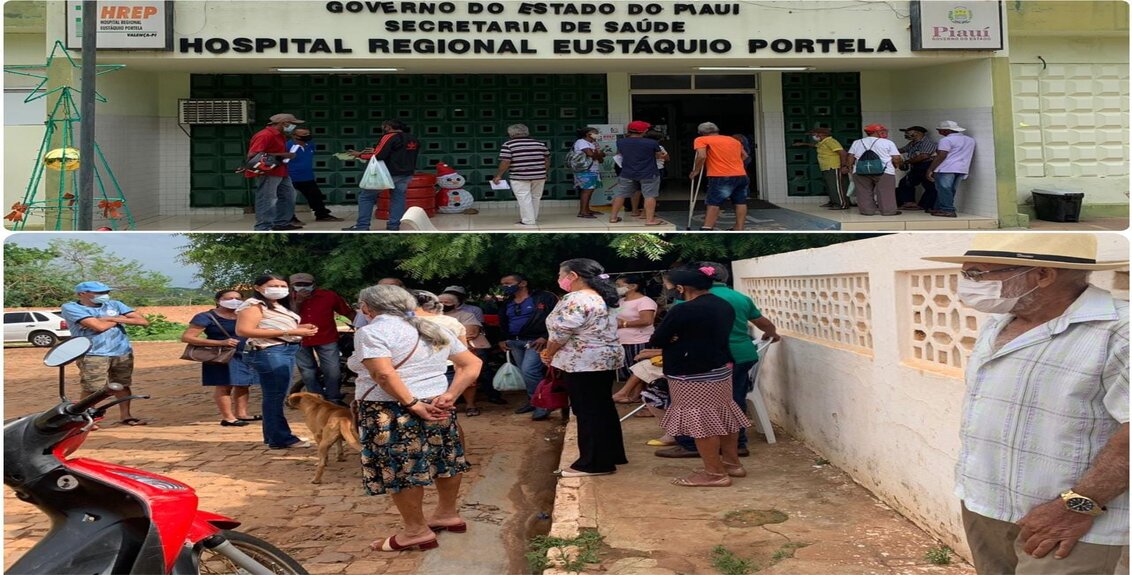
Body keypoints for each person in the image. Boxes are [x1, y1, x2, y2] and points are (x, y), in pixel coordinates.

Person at [923, 233, 1128, 574]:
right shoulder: (999, 324)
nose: (966, 284)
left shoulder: (1118, 331)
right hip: (984, 507)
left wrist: (1077, 507)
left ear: (1042, 275)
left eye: (977, 274)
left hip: (1069, 524)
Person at [349, 284, 482, 552]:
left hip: (391, 409)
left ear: (367, 308)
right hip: (437, 404)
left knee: (401, 468)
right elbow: (472, 363)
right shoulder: (434, 328)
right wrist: (451, 396)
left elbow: (384, 375)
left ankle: (416, 531)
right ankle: (447, 514)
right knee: (446, 459)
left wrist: (411, 403)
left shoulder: (371, 331)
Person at [655, 262, 780, 459]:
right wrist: (771, 334)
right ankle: (737, 446)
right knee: (733, 400)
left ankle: (693, 446)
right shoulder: (738, 298)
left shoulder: (687, 303)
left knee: (694, 409)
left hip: (701, 362)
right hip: (739, 356)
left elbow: (667, 335)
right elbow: (763, 323)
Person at [648, 266, 750, 487]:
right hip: (720, 367)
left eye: (670, 286)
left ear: (681, 288)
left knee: (701, 423)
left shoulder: (683, 310)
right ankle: (732, 464)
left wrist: (675, 339)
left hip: (691, 372)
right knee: (724, 413)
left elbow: (658, 339)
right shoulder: (723, 304)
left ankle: (714, 474)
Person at [541, 259, 627, 477]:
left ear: (573, 276)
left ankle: (595, 463)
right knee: (602, 407)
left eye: (561, 274)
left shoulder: (576, 298)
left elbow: (561, 332)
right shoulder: (603, 297)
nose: (559, 279)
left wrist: (548, 353)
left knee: (588, 411)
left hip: (583, 362)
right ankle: (612, 453)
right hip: (602, 359)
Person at [235, 274, 319, 449]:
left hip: (283, 350)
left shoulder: (276, 305)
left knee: (275, 395)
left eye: (282, 286)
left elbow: (276, 327)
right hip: (270, 352)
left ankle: (274, 436)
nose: (279, 289)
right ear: (258, 287)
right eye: (274, 285)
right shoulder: (254, 305)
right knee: (275, 397)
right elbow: (244, 330)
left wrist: (300, 329)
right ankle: (280, 438)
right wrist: (289, 332)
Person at [60, 281, 151, 427]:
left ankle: (126, 416)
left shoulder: (115, 304)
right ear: (82, 294)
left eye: (106, 292)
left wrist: (112, 318)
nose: (105, 295)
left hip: (121, 351)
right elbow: (98, 327)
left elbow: (142, 321)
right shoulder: (71, 308)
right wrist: (122, 320)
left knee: (122, 385)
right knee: (92, 388)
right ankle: (87, 418)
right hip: (92, 353)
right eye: (99, 293)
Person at [180, 290, 260, 426]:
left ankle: (242, 414)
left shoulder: (245, 314)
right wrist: (220, 343)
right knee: (224, 386)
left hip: (245, 354)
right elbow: (187, 337)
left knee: (244, 384)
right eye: (229, 298)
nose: (234, 300)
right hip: (220, 356)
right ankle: (228, 417)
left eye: (237, 298)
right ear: (218, 301)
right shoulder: (206, 317)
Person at [497, 273, 559, 420]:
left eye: (508, 283)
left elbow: (556, 319)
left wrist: (545, 336)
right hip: (515, 342)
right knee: (525, 373)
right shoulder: (507, 302)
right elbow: (503, 322)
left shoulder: (544, 297)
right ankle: (534, 400)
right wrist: (502, 339)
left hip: (535, 342)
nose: (505, 286)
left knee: (530, 370)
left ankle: (543, 404)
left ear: (523, 283)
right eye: (502, 284)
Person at [289, 272, 356, 404]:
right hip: (298, 339)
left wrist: (360, 326)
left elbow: (347, 312)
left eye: (306, 284)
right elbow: (289, 318)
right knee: (307, 371)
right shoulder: (286, 298)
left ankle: (333, 398)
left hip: (327, 337)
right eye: (298, 285)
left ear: (314, 284)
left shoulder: (328, 296)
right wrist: (298, 302)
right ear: (291, 286)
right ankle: (317, 399)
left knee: (332, 370)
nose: (302, 287)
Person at [345, 119, 420, 231]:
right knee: (398, 198)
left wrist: (359, 155)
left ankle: (362, 226)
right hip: (406, 174)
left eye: (383, 127)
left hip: (388, 174)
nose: (382, 129)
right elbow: (397, 152)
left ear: (388, 127)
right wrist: (375, 150)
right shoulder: (413, 138)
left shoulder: (389, 136)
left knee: (366, 197)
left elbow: (379, 156)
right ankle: (394, 226)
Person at [439, 290, 500, 413]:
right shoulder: (430, 316)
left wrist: (440, 339)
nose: (443, 304)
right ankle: (443, 405)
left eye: (447, 302)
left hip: (462, 351)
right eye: (440, 302)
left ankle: (470, 405)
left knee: (466, 378)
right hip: (438, 354)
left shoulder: (466, 314)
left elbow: (471, 333)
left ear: (455, 304)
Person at [246, 113, 303, 231]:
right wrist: (285, 155)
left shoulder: (280, 135)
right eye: (292, 124)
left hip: (281, 170)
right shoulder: (265, 135)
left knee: (289, 195)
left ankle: (281, 223)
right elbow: (253, 155)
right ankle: (263, 226)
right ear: (284, 123)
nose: (294, 127)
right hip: (269, 172)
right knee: (267, 198)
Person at [689, 122, 750, 231]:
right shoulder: (733, 140)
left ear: (701, 133)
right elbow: (745, 155)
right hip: (741, 175)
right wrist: (733, 164)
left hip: (720, 176)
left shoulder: (701, 140)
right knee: (740, 202)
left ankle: (707, 227)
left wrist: (696, 171)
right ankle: (739, 228)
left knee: (713, 202)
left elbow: (702, 156)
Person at [607, 121, 668, 226]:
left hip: (627, 172)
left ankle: (613, 218)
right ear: (643, 131)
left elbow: (619, 155)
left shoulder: (621, 142)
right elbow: (659, 156)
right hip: (648, 173)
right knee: (650, 196)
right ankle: (649, 220)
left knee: (621, 194)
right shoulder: (652, 143)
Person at [492, 124, 551, 228]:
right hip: (539, 175)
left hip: (519, 176)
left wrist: (499, 175)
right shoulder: (539, 144)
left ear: (511, 133)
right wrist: (544, 172)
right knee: (536, 197)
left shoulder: (509, 145)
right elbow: (546, 159)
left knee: (524, 198)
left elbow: (506, 161)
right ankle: (533, 218)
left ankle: (528, 221)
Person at [287, 126, 343, 223]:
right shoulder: (288, 146)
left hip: (307, 176)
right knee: (289, 198)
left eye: (308, 134)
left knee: (316, 196)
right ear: (294, 136)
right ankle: (289, 218)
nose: (307, 136)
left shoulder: (310, 144)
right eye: (304, 135)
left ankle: (322, 215)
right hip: (291, 177)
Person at [847, 124, 904, 217]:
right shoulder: (887, 143)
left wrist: (850, 167)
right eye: (882, 131)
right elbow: (896, 158)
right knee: (886, 191)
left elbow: (850, 156)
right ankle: (888, 211)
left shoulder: (857, 142)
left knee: (863, 191)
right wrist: (896, 166)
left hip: (861, 171)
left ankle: (867, 211)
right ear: (876, 132)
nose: (884, 132)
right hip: (885, 171)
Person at [925, 120, 977, 218]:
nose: (938, 132)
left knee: (944, 189)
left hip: (946, 168)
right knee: (950, 190)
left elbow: (941, 155)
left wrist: (930, 169)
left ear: (946, 131)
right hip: (962, 168)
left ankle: (947, 210)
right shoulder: (970, 140)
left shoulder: (946, 140)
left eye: (939, 130)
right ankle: (939, 208)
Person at [612, 274, 657, 386]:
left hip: (639, 341)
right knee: (627, 370)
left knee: (640, 370)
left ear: (633, 286)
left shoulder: (645, 301)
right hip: (622, 341)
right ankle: (632, 394)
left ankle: (639, 394)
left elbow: (647, 320)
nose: (616, 288)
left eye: (619, 285)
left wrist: (624, 324)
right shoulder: (621, 301)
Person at [792, 127, 850, 210]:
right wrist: (803, 144)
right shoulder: (823, 142)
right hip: (826, 168)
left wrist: (844, 166)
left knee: (837, 187)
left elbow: (843, 153)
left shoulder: (831, 141)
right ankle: (833, 202)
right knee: (831, 186)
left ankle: (842, 204)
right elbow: (815, 145)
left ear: (821, 134)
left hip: (834, 167)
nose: (813, 136)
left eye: (814, 134)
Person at [894, 126, 937, 211]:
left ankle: (924, 205)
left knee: (929, 187)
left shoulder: (926, 142)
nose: (906, 135)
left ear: (918, 133)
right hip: (917, 167)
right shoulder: (913, 143)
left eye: (908, 132)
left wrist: (907, 162)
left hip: (925, 166)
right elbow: (902, 150)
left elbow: (924, 156)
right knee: (906, 183)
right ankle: (911, 203)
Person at [570, 127, 605, 219]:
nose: (597, 134)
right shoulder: (581, 142)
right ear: (588, 134)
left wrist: (598, 154)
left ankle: (587, 209)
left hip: (593, 169)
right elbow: (590, 154)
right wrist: (599, 154)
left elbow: (600, 158)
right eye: (595, 133)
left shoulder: (594, 143)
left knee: (590, 190)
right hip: (585, 170)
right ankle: (582, 212)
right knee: (586, 191)